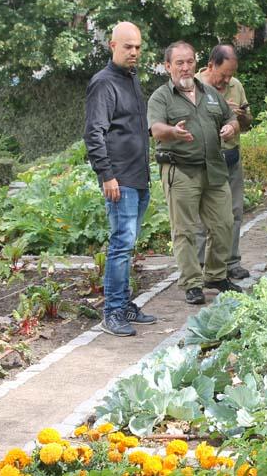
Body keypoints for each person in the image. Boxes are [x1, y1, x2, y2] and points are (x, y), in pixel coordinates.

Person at [148, 41, 243, 305]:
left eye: (189, 61)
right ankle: (191, 282)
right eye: (179, 63)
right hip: (180, 170)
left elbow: (230, 118)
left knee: (224, 223)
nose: (186, 67)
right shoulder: (161, 97)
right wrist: (172, 132)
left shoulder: (210, 93)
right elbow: (155, 129)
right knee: (185, 230)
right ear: (168, 67)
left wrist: (231, 128)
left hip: (214, 169)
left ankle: (215, 275)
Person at [84, 21, 157, 337]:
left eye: (138, 47)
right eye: (128, 46)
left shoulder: (131, 81)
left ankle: (124, 305)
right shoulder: (104, 83)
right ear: (112, 46)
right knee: (120, 246)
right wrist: (107, 176)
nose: (134, 52)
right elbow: (94, 133)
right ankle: (112, 312)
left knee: (127, 246)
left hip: (138, 179)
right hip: (120, 181)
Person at [195, 44, 253, 279]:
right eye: (223, 75)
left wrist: (239, 116)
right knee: (203, 217)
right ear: (210, 66)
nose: (226, 80)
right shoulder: (194, 86)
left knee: (235, 212)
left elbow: (249, 121)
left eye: (230, 75)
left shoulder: (235, 86)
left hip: (231, 159)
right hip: (204, 161)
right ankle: (200, 266)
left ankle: (231, 262)